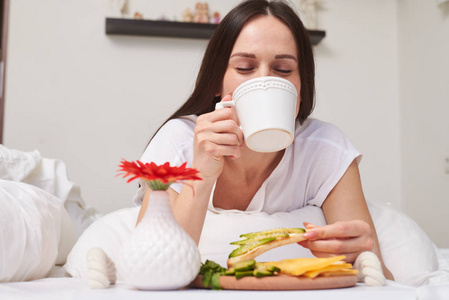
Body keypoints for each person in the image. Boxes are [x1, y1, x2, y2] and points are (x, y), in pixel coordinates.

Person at [133, 0, 393, 280]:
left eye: (282, 70)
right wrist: (202, 174)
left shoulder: (325, 148)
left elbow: (381, 280)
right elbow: (151, 270)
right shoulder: (177, 141)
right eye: (245, 68)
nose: (264, 81)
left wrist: (362, 256)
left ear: (302, 89)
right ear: (217, 83)